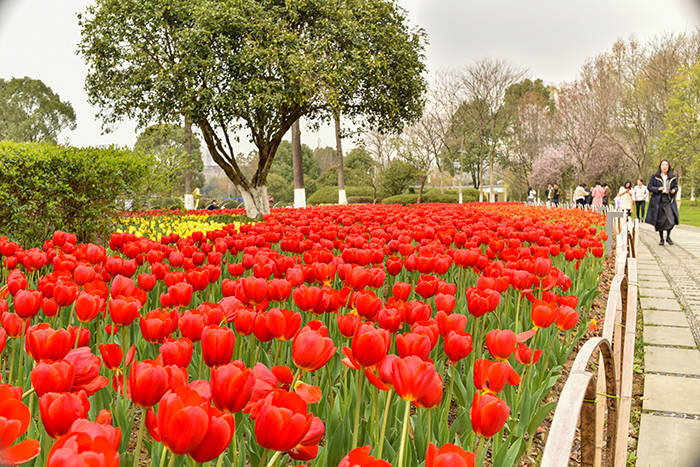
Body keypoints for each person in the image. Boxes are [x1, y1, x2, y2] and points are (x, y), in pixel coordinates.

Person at [645, 159, 679, 246]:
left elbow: (676, 187)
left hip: (668, 199)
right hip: (658, 200)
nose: (664, 167)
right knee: (660, 220)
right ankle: (661, 238)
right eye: (663, 165)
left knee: (671, 219)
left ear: (668, 167)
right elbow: (649, 187)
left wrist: (674, 190)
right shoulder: (655, 176)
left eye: (666, 165)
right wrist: (657, 189)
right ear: (660, 166)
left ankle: (668, 236)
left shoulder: (672, 177)